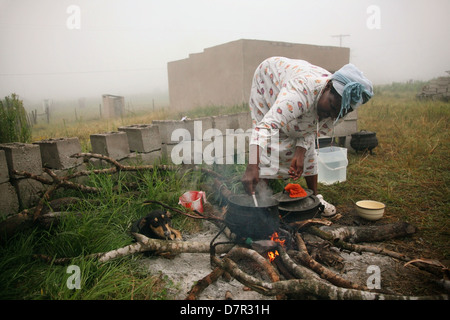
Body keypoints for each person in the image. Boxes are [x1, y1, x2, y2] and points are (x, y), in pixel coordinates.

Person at [241, 57, 373, 216]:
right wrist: (252, 165)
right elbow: (265, 127)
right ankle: (262, 201)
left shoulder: (341, 107)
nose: (330, 115)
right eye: (331, 106)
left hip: (302, 90)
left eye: (337, 114)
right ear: (328, 86)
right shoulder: (299, 93)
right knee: (272, 141)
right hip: (269, 80)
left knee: (307, 146)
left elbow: (313, 128)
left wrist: (301, 150)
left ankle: (315, 201)